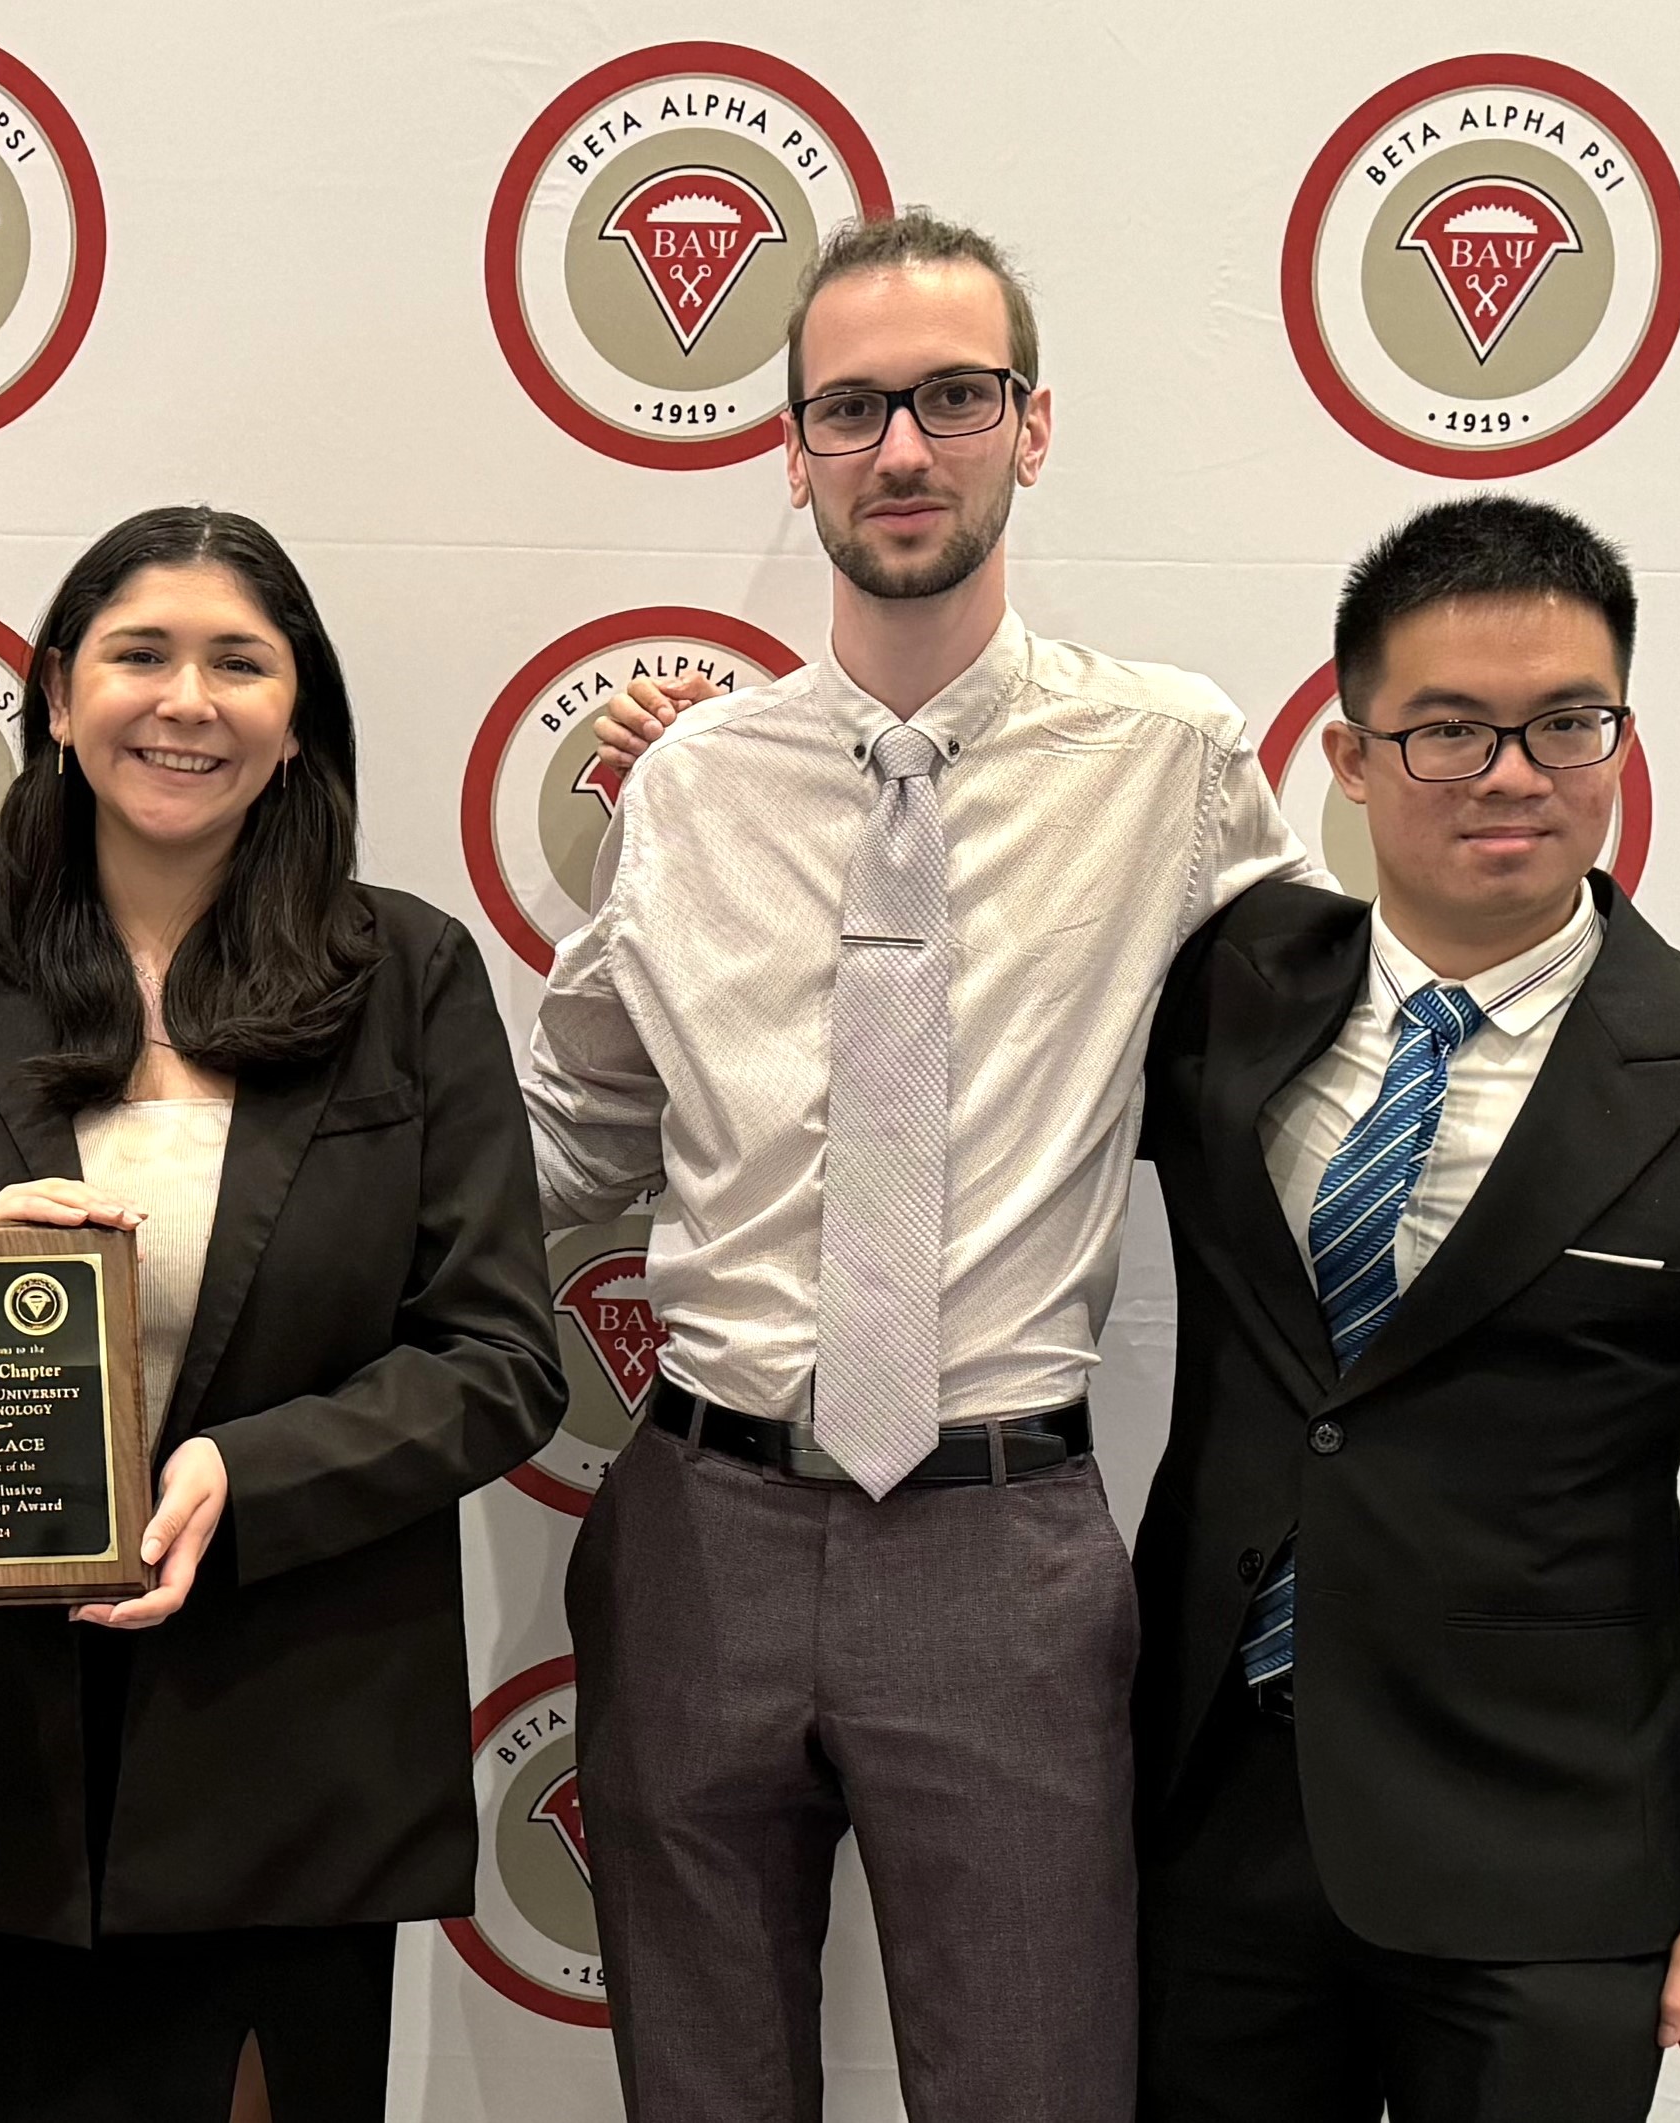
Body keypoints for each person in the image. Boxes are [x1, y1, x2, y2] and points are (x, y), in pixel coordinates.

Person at [521, 211, 1317, 2122]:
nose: (902, 448)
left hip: (999, 1544)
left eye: (954, 398)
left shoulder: (1170, 759)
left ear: (1031, 428)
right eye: (854, 408)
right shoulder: (695, 780)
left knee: (1036, 2087)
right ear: (789, 452)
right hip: (700, 1532)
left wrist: (1646, 1034)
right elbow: (571, 1143)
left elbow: (1330, 1069)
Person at [0, 506, 561, 2121]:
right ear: (59, 698)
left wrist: (237, 1478)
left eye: (239, 663)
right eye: (140, 654)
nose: (184, 700)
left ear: (298, 718)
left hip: (297, 1760)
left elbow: (498, 1363)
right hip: (1, 1768)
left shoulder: (404, 973)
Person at [1127, 496, 1680, 2118]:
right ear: (1350, 763)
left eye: (1566, 723)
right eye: (1447, 732)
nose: (1511, 774)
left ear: (1621, 738)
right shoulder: (1215, 988)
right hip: (1209, 1817)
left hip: (1549, 1859)